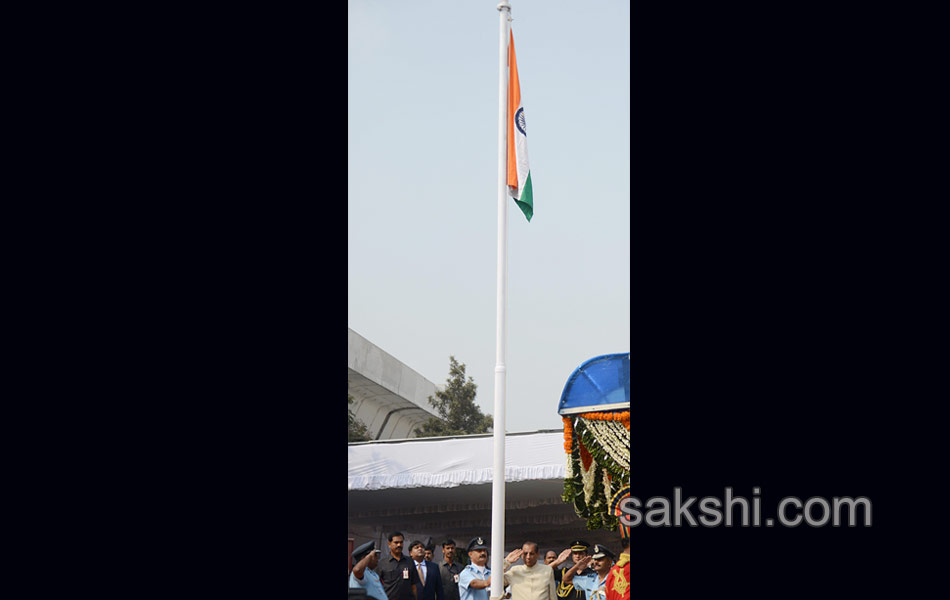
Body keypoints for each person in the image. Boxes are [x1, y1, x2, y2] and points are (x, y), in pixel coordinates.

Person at [378, 531, 422, 600]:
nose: (399, 545)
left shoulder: (410, 561)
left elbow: (414, 586)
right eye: (396, 542)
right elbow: (376, 585)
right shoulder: (382, 563)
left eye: (401, 542)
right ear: (389, 544)